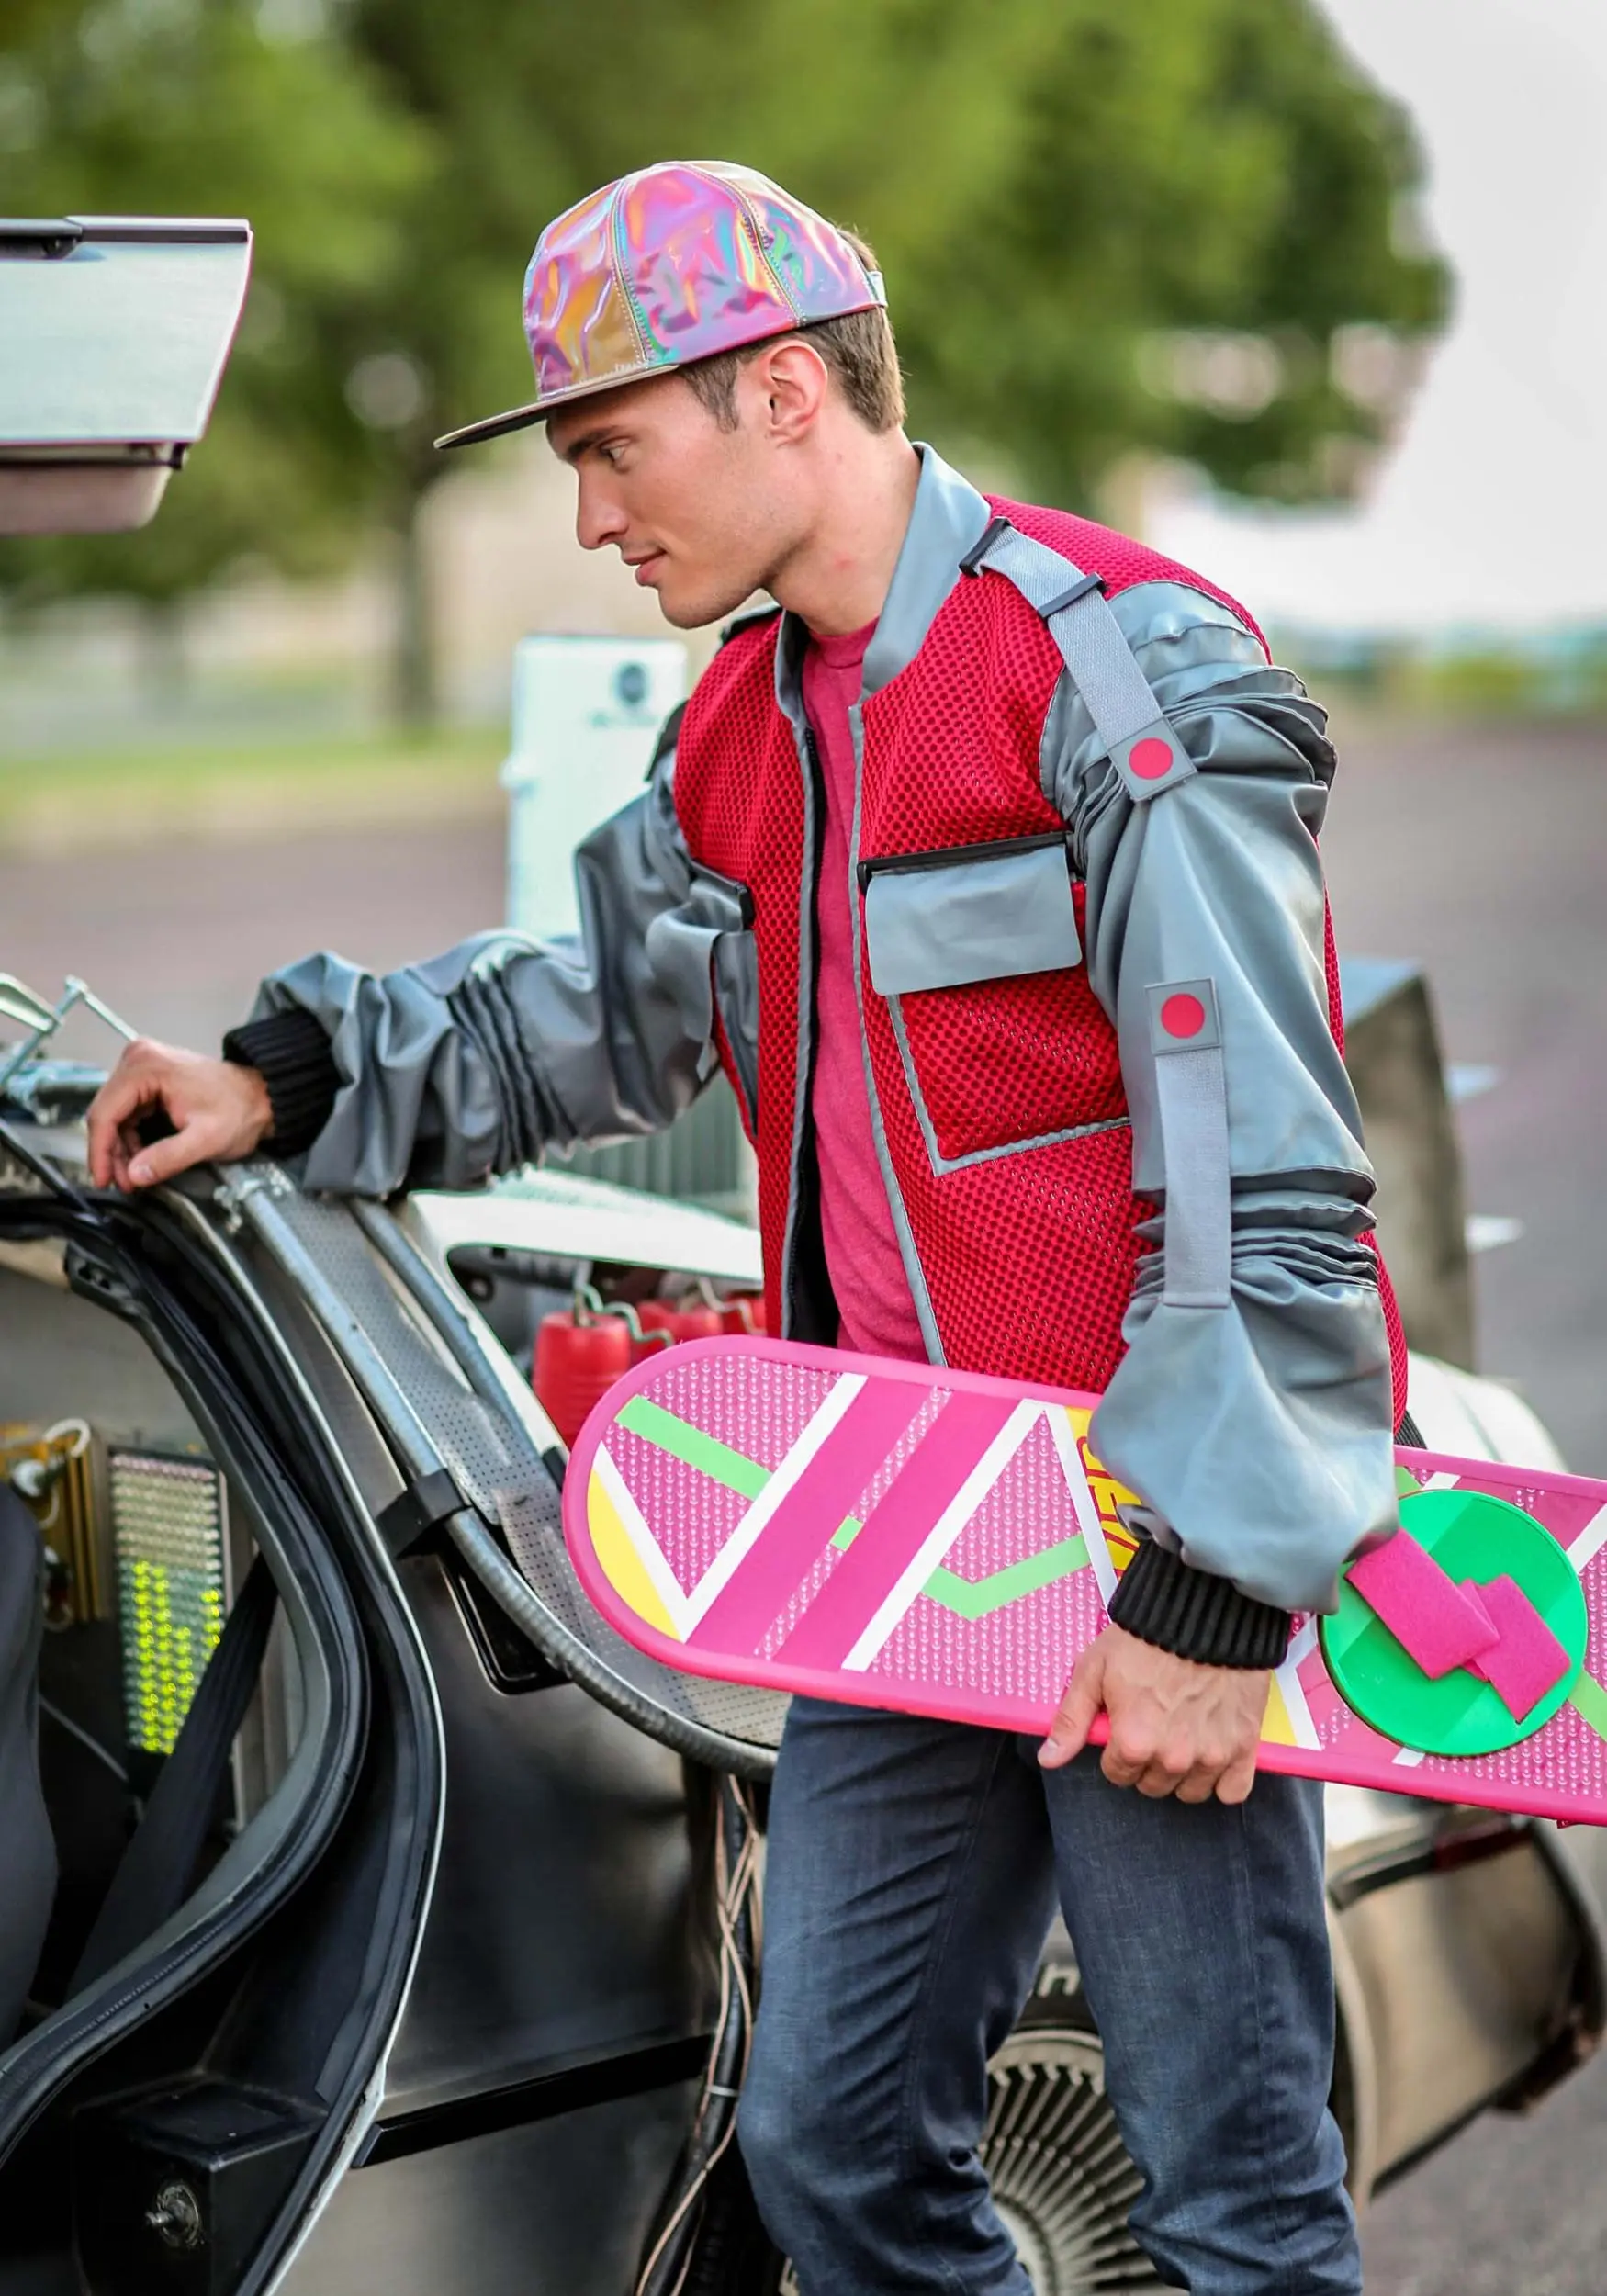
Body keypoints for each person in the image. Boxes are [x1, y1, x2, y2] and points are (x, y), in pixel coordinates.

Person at [88, 161, 1407, 2294]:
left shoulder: (1113, 666)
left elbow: (1263, 1149)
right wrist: (291, 1078)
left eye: (613, 447)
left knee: (1231, 2207)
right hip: (902, 1546)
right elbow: (596, 1011)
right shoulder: (741, 722)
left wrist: (1214, 1586)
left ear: (784, 390)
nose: (590, 516)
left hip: (1139, 1535)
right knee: (831, 2153)